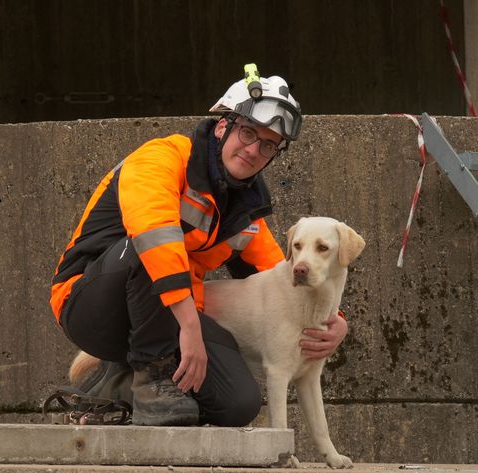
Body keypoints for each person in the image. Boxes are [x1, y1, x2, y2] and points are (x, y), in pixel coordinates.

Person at [49, 65, 348, 427]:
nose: (254, 150)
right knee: (154, 245)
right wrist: (190, 327)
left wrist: (334, 324)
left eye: (269, 144)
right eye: (248, 133)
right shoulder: (161, 158)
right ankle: (153, 380)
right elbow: (153, 234)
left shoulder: (246, 211)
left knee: (239, 404)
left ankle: (114, 390)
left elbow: (282, 273)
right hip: (89, 304)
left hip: (167, 318)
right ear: (223, 125)